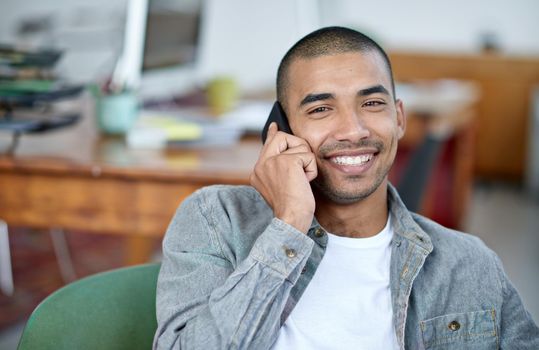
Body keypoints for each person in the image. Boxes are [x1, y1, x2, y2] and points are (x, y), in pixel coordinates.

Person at [153, 27, 539, 349]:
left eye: (371, 103)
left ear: (399, 118)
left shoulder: (470, 265)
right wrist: (288, 227)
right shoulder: (216, 220)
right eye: (320, 109)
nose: (353, 130)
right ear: (280, 130)